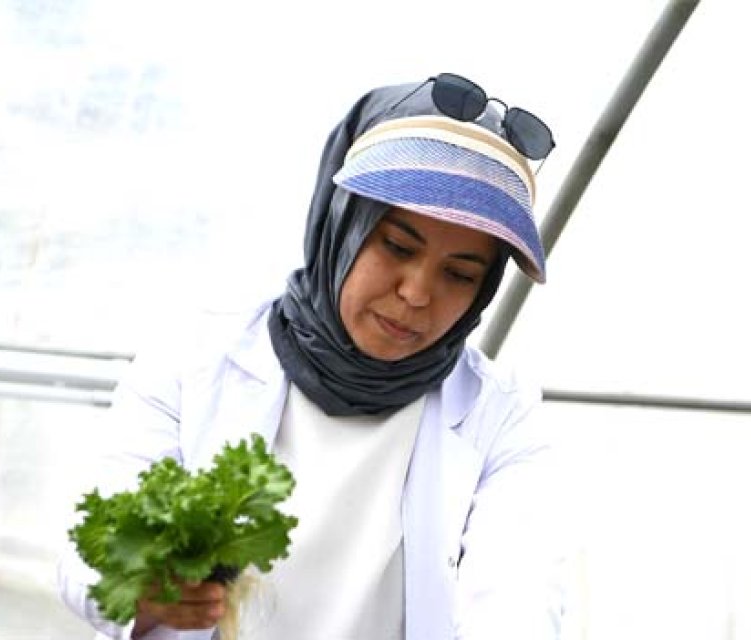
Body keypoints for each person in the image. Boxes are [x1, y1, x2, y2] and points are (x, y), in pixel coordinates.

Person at [58, 72, 567, 639]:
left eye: (460, 274)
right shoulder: (193, 359)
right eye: (397, 246)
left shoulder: (501, 416)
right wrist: (150, 592)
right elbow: (93, 550)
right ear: (341, 222)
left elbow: (518, 594)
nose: (417, 294)